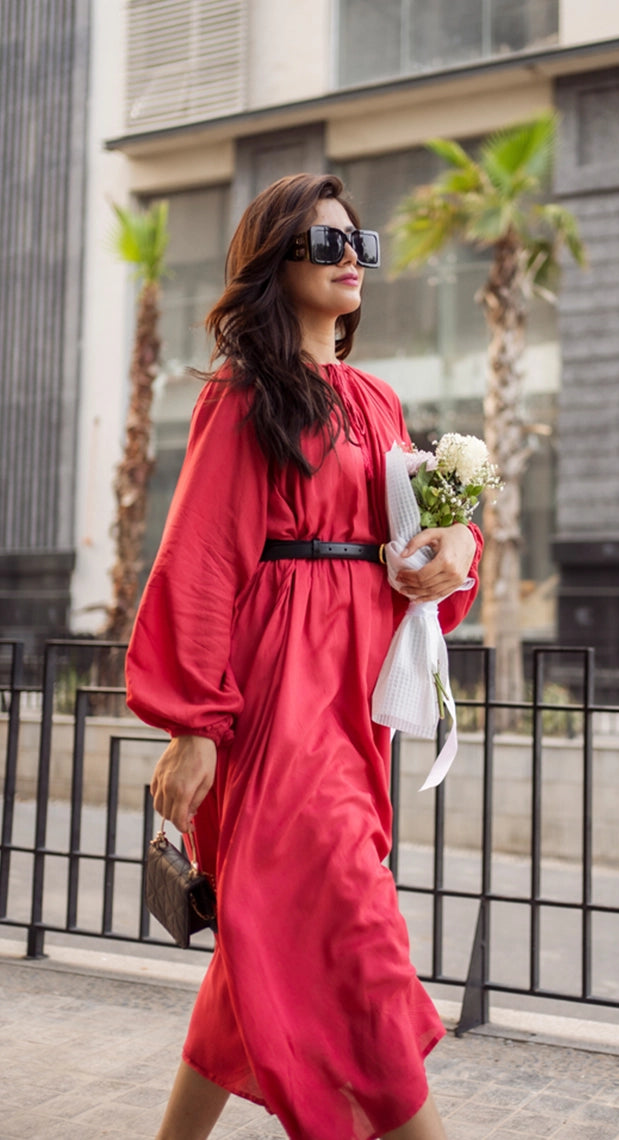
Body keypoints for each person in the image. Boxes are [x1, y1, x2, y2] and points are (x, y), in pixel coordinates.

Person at [125, 172, 481, 1140]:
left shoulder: (379, 401)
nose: (351, 262)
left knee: (258, 955)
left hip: (351, 704)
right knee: (359, 944)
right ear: (272, 267)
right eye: (326, 246)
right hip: (280, 711)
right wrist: (194, 725)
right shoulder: (248, 401)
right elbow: (199, 558)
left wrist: (454, 551)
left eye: (358, 245)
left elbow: (428, 539)